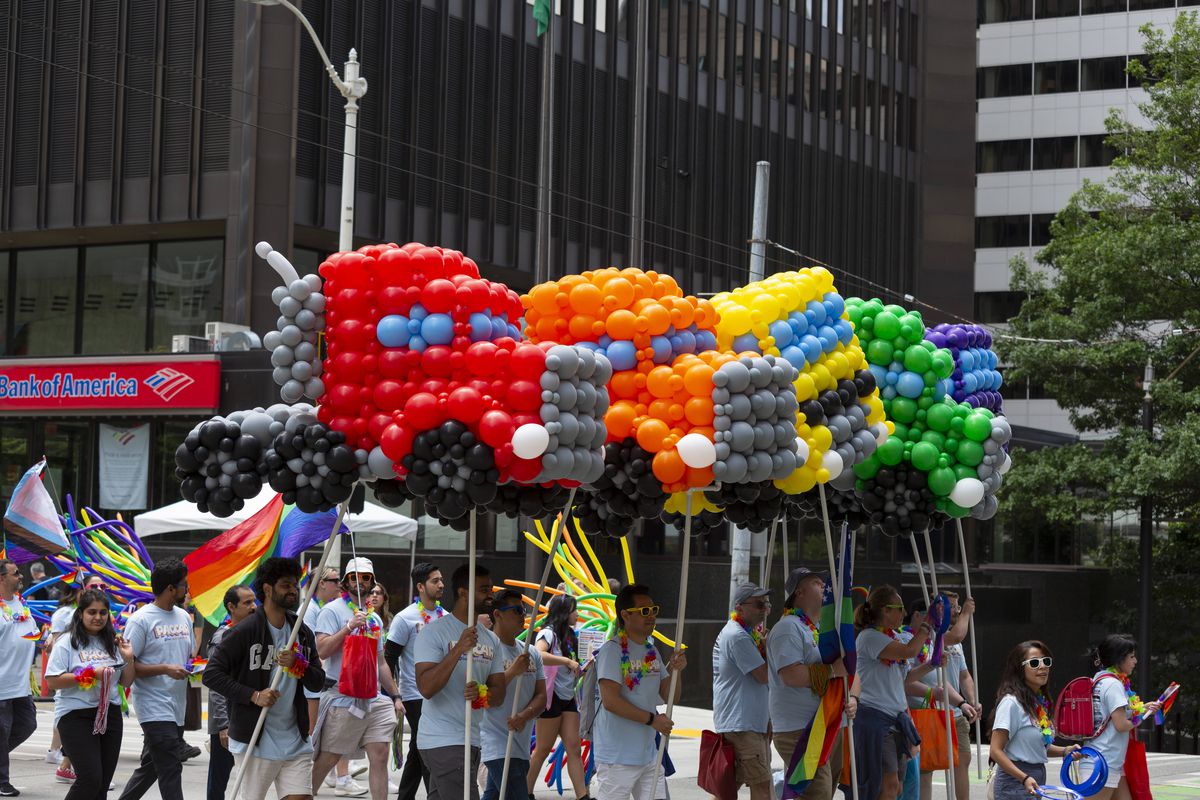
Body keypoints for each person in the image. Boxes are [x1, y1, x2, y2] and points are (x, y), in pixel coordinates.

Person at [203, 557, 327, 800]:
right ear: (268, 589)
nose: (293, 590)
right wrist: (254, 696)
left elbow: (318, 681)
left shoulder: (301, 631)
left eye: (294, 585)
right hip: (256, 738)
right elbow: (212, 675)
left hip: (295, 738)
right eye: (285, 585)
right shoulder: (243, 631)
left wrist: (298, 665)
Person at [311, 558, 405, 800]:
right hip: (342, 697)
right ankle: (302, 796)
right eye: (355, 577)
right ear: (346, 581)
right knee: (330, 755)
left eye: (365, 577)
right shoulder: (331, 610)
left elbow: (381, 662)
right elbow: (321, 650)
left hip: (374, 698)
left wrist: (395, 695)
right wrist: (348, 628)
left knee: (381, 753)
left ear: (371, 582)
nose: (360, 581)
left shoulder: (373, 618)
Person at [413, 564, 509, 800]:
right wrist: (458, 649)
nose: (490, 595)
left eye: (491, 588)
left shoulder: (491, 640)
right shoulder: (433, 633)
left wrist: (482, 693)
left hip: (472, 739)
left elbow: (499, 693)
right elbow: (426, 687)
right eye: (484, 589)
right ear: (463, 592)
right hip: (443, 740)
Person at [592, 583, 686, 800]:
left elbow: (669, 695)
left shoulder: (651, 650)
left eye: (654, 610)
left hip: (648, 754)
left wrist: (677, 670)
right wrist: (653, 720)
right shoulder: (612, 651)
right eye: (644, 611)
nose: (651, 616)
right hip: (618, 757)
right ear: (625, 615)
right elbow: (610, 701)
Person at [117, 557, 200, 800]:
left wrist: (192, 668)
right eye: (184, 585)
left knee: (153, 765)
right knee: (171, 767)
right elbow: (128, 667)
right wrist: (165, 668)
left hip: (177, 706)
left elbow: (184, 657)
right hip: (153, 706)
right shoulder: (141, 620)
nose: (188, 590)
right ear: (170, 589)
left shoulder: (183, 616)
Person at [43, 588, 136, 800]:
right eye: (92, 612)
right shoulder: (67, 642)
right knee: (90, 779)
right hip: (76, 715)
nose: (98, 617)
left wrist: (129, 657)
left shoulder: (113, 641)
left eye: (103, 612)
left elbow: (126, 681)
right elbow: (53, 680)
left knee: (102, 783)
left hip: (109, 716)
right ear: (81, 614)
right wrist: (90, 674)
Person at [768, 567, 851, 800]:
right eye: (817, 583)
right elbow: (791, 675)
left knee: (825, 789)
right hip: (799, 728)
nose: (825, 588)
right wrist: (834, 670)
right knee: (818, 793)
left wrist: (851, 697)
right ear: (799, 592)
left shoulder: (814, 628)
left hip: (825, 723)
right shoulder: (788, 627)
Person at [851, 586, 931, 800]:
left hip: (896, 719)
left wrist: (931, 665)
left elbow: (904, 678)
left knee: (897, 788)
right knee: (887, 784)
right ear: (885, 610)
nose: (904, 613)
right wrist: (926, 625)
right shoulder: (869, 637)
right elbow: (909, 651)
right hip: (876, 720)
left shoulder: (894, 638)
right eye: (900, 608)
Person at [988, 641, 1082, 799]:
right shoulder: (1011, 703)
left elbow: (1036, 747)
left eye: (1046, 661)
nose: (1043, 666)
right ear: (1019, 669)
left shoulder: (1037, 702)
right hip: (1014, 783)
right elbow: (996, 751)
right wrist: (1023, 777)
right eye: (1034, 663)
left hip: (1035, 778)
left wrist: (1065, 751)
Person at [385, 562, 445, 800]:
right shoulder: (404, 618)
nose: (441, 584)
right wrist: (394, 695)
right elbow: (389, 657)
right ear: (421, 586)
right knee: (429, 749)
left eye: (441, 579)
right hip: (414, 695)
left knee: (418, 750)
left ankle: (405, 796)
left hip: (440, 694)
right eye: (434, 581)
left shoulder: (446, 616)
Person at [912, 593, 980, 800]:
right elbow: (957, 635)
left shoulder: (952, 642)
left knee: (963, 760)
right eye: (945, 609)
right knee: (926, 768)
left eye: (955, 608)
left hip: (955, 713)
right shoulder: (916, 639)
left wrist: (971, 699)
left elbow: (964, 675)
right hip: (927, 713)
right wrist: (968, 612)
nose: (951, 613)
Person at [481, 588, 546, 800]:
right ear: (497, 614)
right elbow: (482, 698)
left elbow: (541, 696)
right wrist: (511, 672)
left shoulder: (531, 652)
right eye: (516, 610)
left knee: (493, 794)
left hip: (520, 743)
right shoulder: (484, 651)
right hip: (494, 742)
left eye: (524, 609)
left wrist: (525, 716)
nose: (522, 615)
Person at [304, 568, 362, 797]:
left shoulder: (323, 607)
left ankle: (339, 776)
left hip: (321, 681)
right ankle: (307, 785)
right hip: (314, 682)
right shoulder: (310, 609)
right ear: (320, 584)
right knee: (315, 736)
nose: (340, 584)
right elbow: (311, 648)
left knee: (330, 739)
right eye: (334, 580)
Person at [44, 573, 106, 783]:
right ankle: (59, 756)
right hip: (72, 696)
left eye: (103, 585)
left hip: (99, 705)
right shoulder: (64, 616)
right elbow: (55, 646)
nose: (99, 588)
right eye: (94, 585)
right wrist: (88, 673)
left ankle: (63, 761)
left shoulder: (106, 629)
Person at [713, 583, 773, 800]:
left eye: (766, 604)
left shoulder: (745, 634)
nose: (765, 609)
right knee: (762, 787)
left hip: (744, 723)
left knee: (727, 790)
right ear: (739, 608)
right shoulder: (737, 636)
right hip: (742, 724)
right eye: (759, 604)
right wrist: (771, 652)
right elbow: (764, 676)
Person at [1086, 634, 1161, 800]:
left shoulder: (1100, 679)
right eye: (1132, 657)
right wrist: (1144, 715)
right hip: (1105, 760)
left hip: (1105, 760)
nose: (1135, 661)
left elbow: (1114, 715)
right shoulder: (1113, 684)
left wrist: (1143, 708)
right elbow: (1122, 724)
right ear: (1118, 659)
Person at [527, 595, 587, 800]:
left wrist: (581, 667)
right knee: (542, 748)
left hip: (568, 697)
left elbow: (574, 663)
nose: (577, 614)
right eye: (573, 610)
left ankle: (583, 795)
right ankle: (525, 792)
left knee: (574, 747)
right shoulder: (547, 633)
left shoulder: (571, 635)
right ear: (563, 612)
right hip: (549, 697)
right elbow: (538, 654)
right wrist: (566, 662)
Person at [206, 584, 258, 800]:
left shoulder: (256, 633)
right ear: (231, 607)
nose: (254, 607)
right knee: (219, 779)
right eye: (247, 603)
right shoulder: (222, 639)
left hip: (250, 716)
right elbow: (215, 685)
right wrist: (223, 725)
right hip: (228, 721)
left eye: (254, 601)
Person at [0, 558, 38, 798]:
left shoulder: (21, 605)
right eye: (16, 573)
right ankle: (3, 781)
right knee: (2, 734)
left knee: (27, 725)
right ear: (2, 578)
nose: (21, 576)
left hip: (21, 685)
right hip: (2, 686)